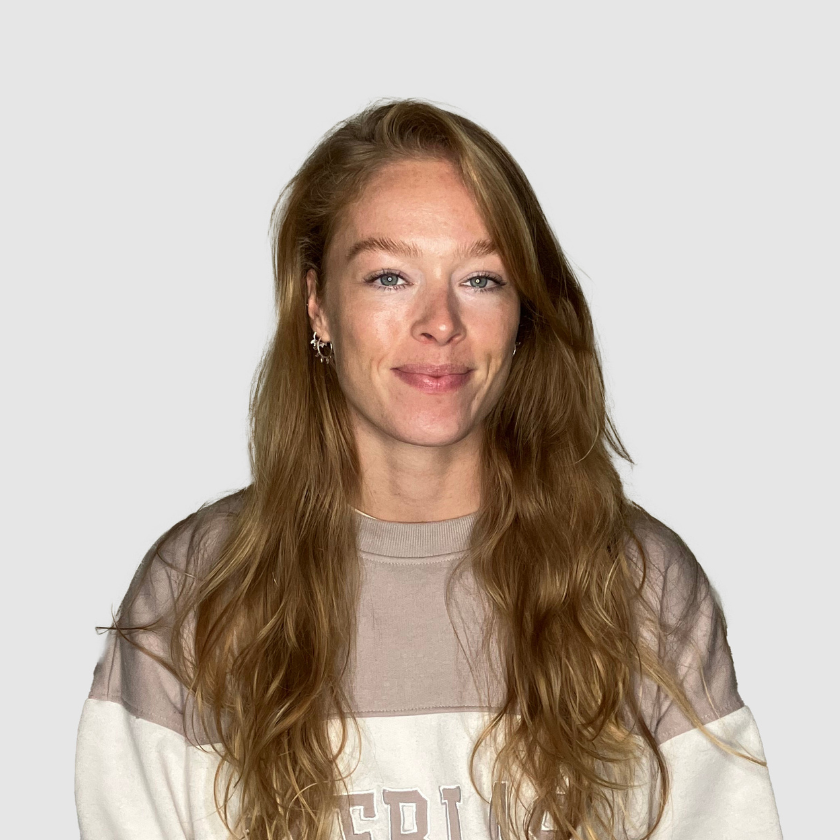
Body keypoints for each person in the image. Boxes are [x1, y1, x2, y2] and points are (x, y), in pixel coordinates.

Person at [75, 99, 783, 840]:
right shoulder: (198, 593)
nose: (440, 323)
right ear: (317, 304)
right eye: (389, 277)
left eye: (481, 279)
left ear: (523, 311)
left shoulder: (641, 587)